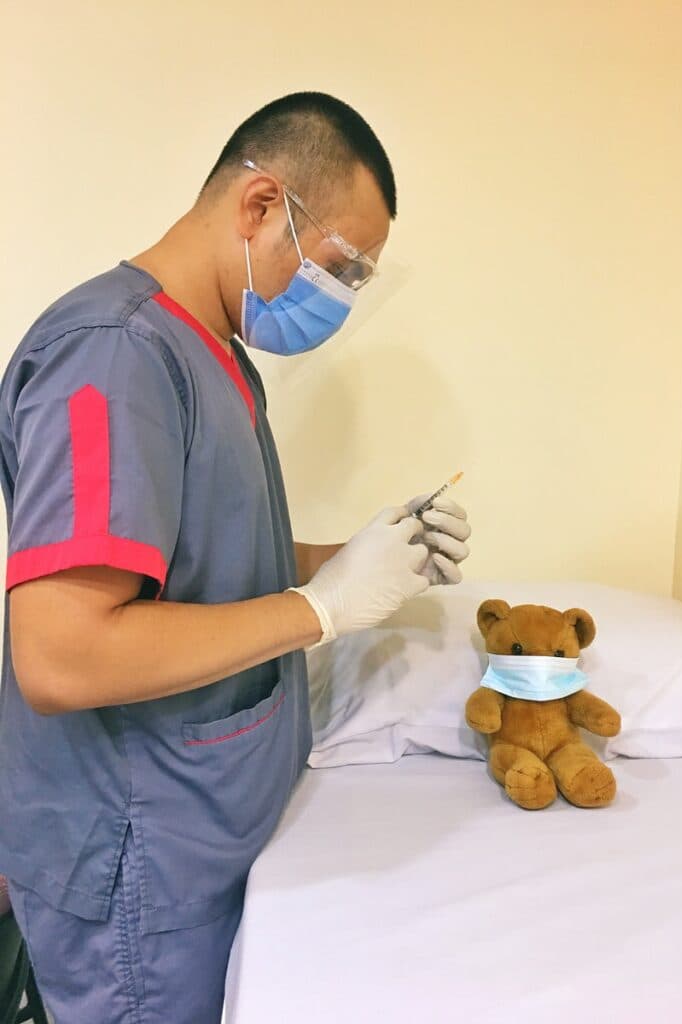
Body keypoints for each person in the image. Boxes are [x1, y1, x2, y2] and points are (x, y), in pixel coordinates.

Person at [0, 92, 471, 1022]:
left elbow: (208, 550)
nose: (341, 299)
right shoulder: (112, 354)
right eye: (343, 268)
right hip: (135, 864)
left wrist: (366, 557)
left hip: (199, 838)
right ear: (260, 205)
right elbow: (61, 655)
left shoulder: (213, 352)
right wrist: (325, 608)